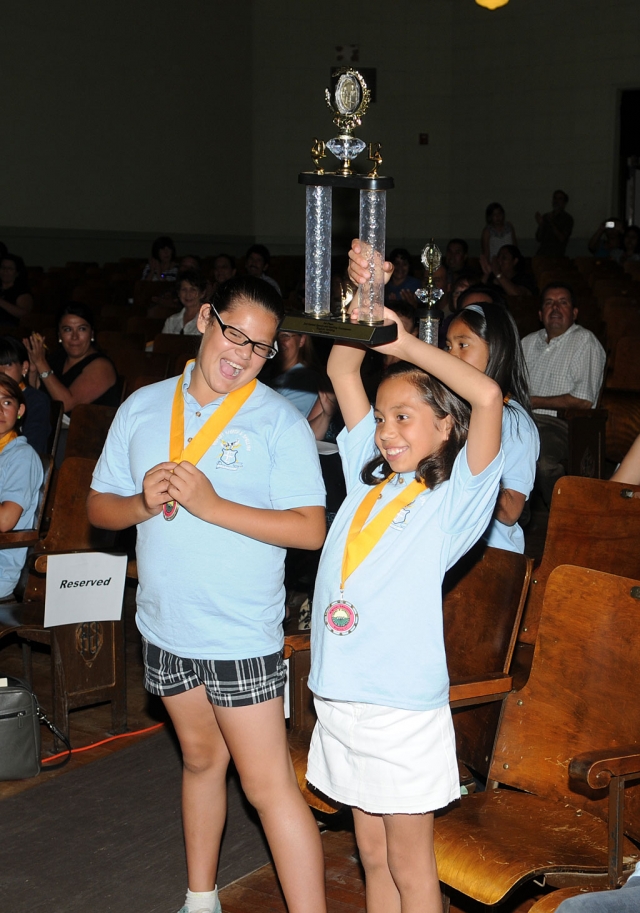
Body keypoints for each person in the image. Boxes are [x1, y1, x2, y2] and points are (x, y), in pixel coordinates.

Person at [87, 276, 327, 913]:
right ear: (203, 319)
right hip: (165, 624)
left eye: (261, 348)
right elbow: (98, 507)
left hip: (238, 632)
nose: (243, 354)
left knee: (268, 787)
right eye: (234, 333)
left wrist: (214, 506)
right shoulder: (142, 406)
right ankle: (201, 899)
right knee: (198, 761)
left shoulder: (278, 421)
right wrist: (142, 501)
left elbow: (311, 529)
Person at [307, 253, 504, 913]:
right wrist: (364, 296)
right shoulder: (371, 467)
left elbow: (486, 395)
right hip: (341, 693)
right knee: (371, 856)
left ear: (445, 428)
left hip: (398, 710)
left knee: (412, 867)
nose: (387, 431)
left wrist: (408, 343)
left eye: (406, 417)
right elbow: (340, 367)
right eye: (383, 417)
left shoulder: (453, 499)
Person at [445, 301, 539, 552]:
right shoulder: (450, 410)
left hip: (490, 555)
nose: (452, 355)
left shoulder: (514, 422)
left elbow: (510, 511)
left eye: (463, 345)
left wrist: (460, 465)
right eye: (448, 346)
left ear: (495, 349)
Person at [521, 283, 606, 507]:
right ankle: (514, 521)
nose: (555, 308)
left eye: (563, 302)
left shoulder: (584, 342)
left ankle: (561, 516)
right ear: (540, 314)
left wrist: (534, 401)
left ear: (574, 313)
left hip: (563, 424)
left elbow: (583, 401)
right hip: (522, 420)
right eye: (549, 303)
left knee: (543, 461)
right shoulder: (527, 343)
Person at [25, 303, 120, 416]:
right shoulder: (57, 358)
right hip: (51, 427)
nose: (75, 336)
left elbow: (65, 405)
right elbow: (36, 396)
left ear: (92, 333)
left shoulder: (102, 366)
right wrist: (33, 369)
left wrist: (41, 363)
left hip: (87, 431)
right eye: (68, 329)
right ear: (59, 335)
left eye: (82, 329)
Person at [0, 375, 44, 599]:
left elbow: (5, 520)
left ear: (20, 410)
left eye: (6, 403)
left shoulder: (21, 457)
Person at [0, 336, 50, 455]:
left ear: (24, 367)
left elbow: (34, 447)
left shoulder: (36, 400)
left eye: (7, 364)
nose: (1, 371)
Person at [162, 270, 207, 336]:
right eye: (184, 289)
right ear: (178, 293)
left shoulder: (209, 319)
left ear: (202, 293)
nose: (188, 294)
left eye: (193, 290)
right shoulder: (171, 321)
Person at [535, 190, 573, 257]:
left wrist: (551, 223)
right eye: (555, 198)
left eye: (560, 199)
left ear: (564, 203)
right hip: (542, 254)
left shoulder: (567, 219)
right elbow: (539, 238)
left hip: (557, 255)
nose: (556, 201)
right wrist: (541, 225)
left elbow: (562, 238)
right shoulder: (546, 216)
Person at [0, 254, 34, 325]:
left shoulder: (22, 291)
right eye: (3, 267)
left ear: (17, 272)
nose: (5, 271)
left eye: (10, 269)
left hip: (9, 328)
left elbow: (24, 314)